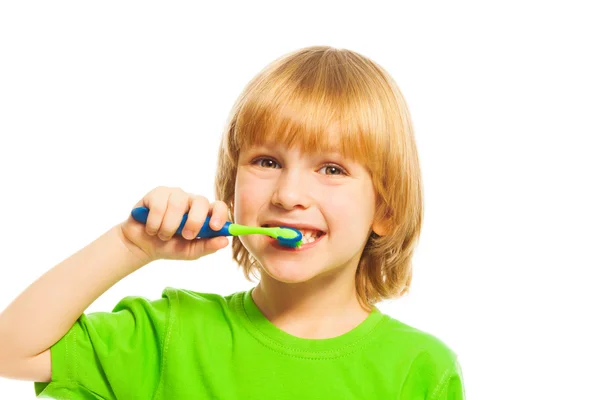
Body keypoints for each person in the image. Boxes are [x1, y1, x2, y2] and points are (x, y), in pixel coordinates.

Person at [0, 45, 465, 399]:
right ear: (231, 188)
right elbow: (11, 351)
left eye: (332, 169)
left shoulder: (420, 368)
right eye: (266, 162)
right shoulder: (169, 334)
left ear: (385, 211)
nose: (287, 195)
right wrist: (130, 245)